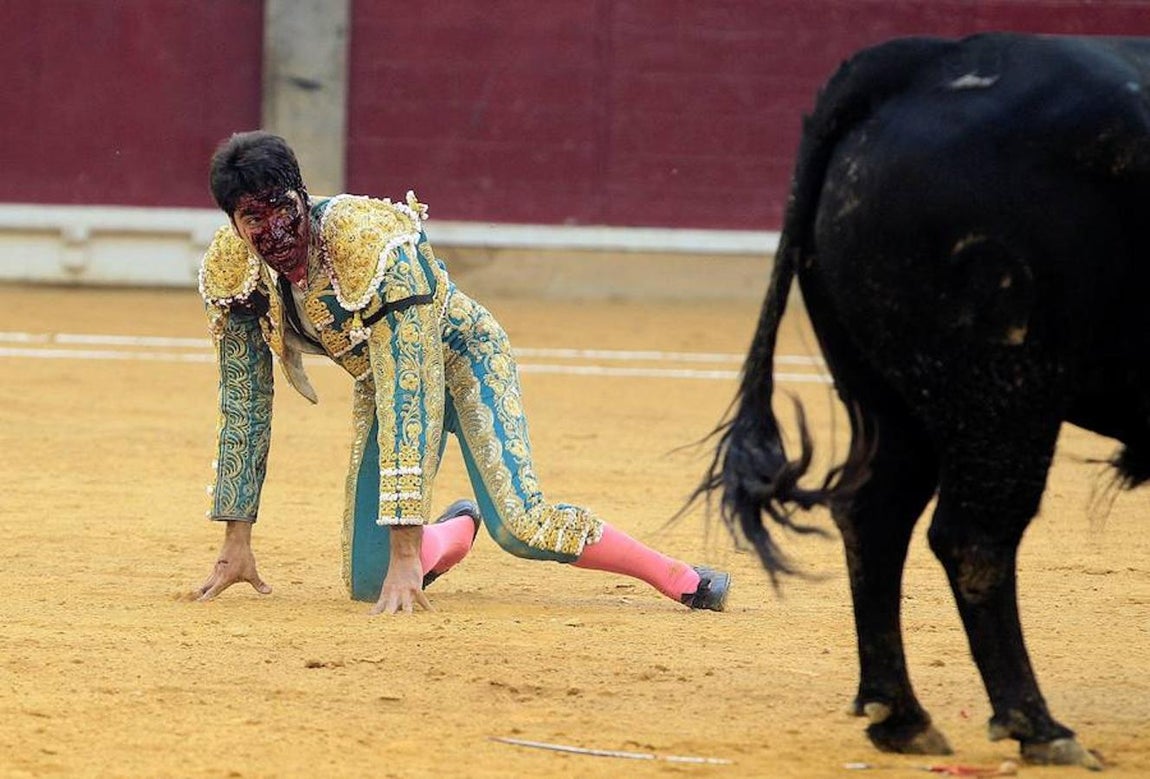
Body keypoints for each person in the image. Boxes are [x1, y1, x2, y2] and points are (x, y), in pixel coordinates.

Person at [194, 130, 732, 615]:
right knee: (367, 582)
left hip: (462, 359)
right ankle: (453, 531)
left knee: (522, 526)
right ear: (234, 225)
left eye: (280, 208)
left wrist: (406, 555)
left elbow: (415, 391)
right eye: (253, 218)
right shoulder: (233, 268)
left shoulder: (370, 243)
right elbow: (245, 402)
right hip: (384, 378)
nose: (274, 230)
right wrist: (235, 541)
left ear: (303, 197)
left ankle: (679, 577)